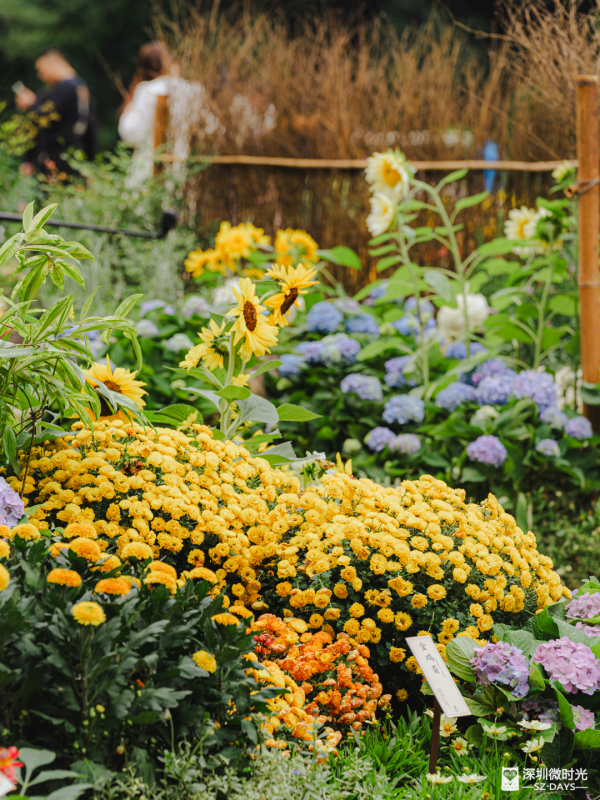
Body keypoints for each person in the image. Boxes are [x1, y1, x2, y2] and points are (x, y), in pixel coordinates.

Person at [119, 42, 222, 183]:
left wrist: (126, 113)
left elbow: (132, 134)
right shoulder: (193, 90)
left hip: (149, 171)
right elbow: (213, 129)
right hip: (184, 172)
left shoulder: (147, 90)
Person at [15, 49, 96, 177]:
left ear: (54, 64)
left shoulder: (67, 87)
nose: (41, 76)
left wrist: (32, 103)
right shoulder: (77, 88)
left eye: (42, 70)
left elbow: (46, 119)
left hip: (63, 159)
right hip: (71, 157)